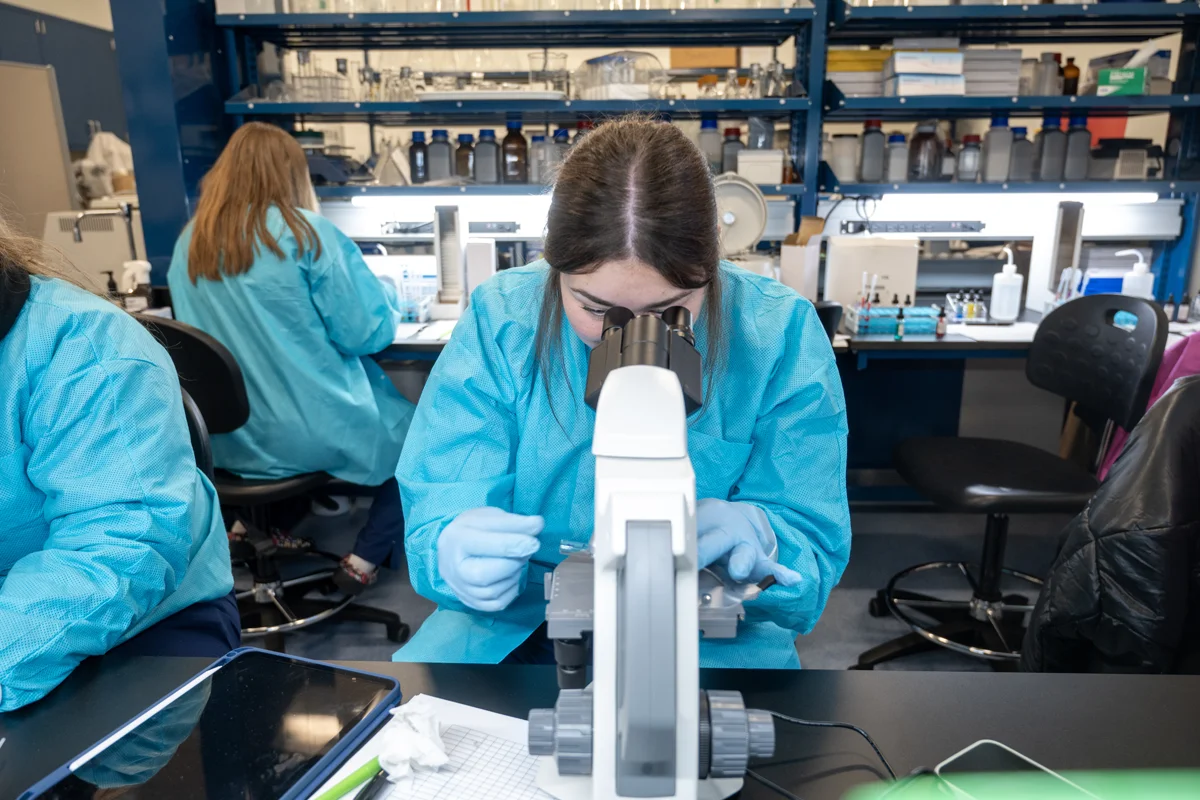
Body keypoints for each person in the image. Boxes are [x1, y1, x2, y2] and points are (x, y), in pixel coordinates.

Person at [396, 118, 850, 668]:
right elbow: (443, 491)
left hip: (703, 629)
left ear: (711, 272)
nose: (631, 334)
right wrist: (450, 544)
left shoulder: (778, 334)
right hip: (516, 619)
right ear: (555, 271)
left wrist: (768, 538)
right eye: (594, 308)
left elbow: (811, 537)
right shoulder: (502, 319)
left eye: (667, 312)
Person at [0, 217, 237, 712]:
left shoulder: (84, 346)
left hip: (135, 616)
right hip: (266, 430)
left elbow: (118, 543)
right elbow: (369, 327)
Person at [168, 123, 414, 595]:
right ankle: (363, 559)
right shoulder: (307, 233)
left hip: (227, 443)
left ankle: (249, 528)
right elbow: (367, 332)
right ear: (292, 175)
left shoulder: (189, 243)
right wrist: (389, 291)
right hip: (308, 431)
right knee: (424, 440)